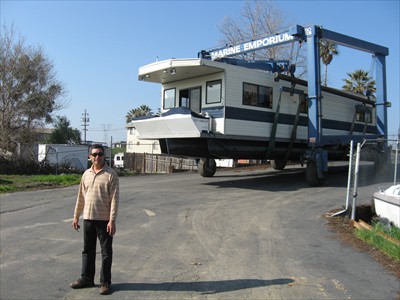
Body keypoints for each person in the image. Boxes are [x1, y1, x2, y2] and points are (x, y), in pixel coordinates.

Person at [70, 144, 119, 295]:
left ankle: (105, 282)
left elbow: (114, 200)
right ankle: (86, 278)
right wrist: (76, 216)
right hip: (88, 219)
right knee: (87, 251)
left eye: (100, 154)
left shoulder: (111, 175)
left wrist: (112, 220)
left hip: (104, 220)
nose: (97, 157)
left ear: (104, 156)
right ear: (90, 156)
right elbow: (80, 197)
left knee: (106, 252)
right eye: (94, 154)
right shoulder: (86, 174)